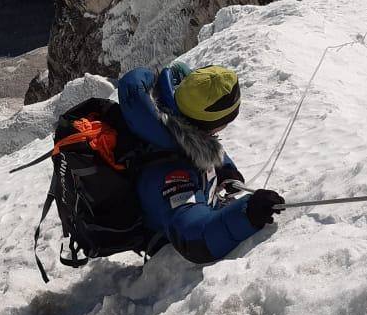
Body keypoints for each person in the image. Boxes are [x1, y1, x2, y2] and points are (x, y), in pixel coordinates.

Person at [117, 62, 285, 263]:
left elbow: (198, 144)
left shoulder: (167, 115)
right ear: (211, 125)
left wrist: (224, 169)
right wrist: (248, 213)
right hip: (167, 244)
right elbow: (196, 239)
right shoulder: (172, 174)